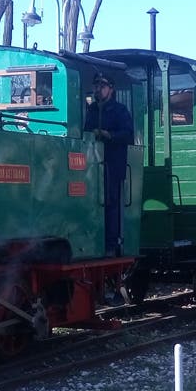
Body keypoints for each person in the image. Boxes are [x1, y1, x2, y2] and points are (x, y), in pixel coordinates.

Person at [84, 72, 134, 256]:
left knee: (111, 203)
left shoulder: (120, 110)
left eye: (101, 86)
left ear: (110, 89)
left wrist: (109, 135)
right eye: (96, 86)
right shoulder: (91, 110)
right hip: (92, 163)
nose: (98, 89)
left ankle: (111, 244)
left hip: (113, 163)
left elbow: (128, 134)